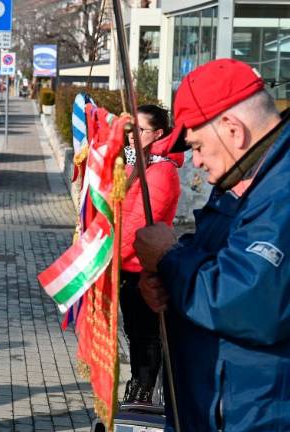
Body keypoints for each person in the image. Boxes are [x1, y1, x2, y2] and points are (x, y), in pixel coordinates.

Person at [133, 58, 290, 430]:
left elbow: (249, 299)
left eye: (198, 146)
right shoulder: (246, 180)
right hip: (221, 407)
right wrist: (165, 280)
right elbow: (219, 254)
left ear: (233, 130)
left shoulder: (281, 190)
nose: (196, 162)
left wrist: (170, 258)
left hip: (257, 415)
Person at [119, 105, 183, 404]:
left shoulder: (163, 169)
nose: (133, 137)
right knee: (134, 332)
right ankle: (137, 385)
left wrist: (110, 254)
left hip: (141, 266)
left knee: (145, 334)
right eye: (130, 130)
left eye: (140, 131)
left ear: (158, 133)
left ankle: (143, 392)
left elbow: (139, 225)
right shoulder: (138, 162)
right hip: (125, 263)